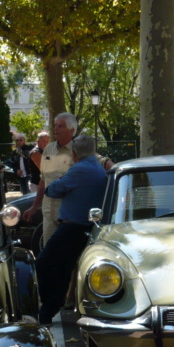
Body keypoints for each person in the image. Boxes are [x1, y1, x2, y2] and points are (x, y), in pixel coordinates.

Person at [34, 135, 108, 324]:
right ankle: (50, 309)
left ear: (74, 153)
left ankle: (49, 306)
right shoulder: (96, 167)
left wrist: (59, 178)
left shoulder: (79, 169)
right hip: (84, 225)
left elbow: (53, 190)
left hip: (74, 226)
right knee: (63, 268)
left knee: (44, 262)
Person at [23, 113, 77, 250]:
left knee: (68, 255)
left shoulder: (78, 150)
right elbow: (43, 180)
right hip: (48, 213)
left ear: (72, 130)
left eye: (61, 126)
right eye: (55, 125)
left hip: (69, 215)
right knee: (49, 254)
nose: (56, 129)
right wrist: (34, 206)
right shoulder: (48, 149)